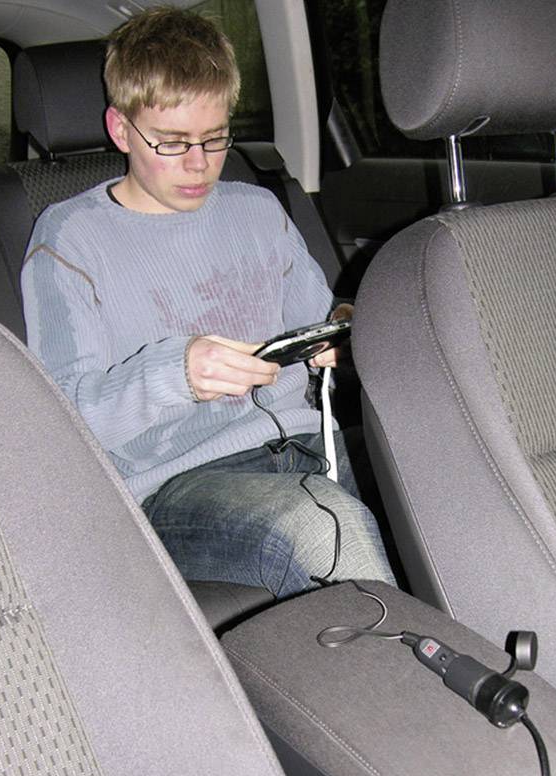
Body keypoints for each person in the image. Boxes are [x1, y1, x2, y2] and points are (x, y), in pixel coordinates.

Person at [21, 6, 395, 598]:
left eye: (215, 138)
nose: (199, 164)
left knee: (439, 473)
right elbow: (63, 416)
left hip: (308, 443)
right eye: (171, 143)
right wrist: (174, 375)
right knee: (325, 527)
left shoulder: (257, 210)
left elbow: (321, 322)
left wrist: (344, 336)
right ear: (120, 129)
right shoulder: (69, 239)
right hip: (175, 484)